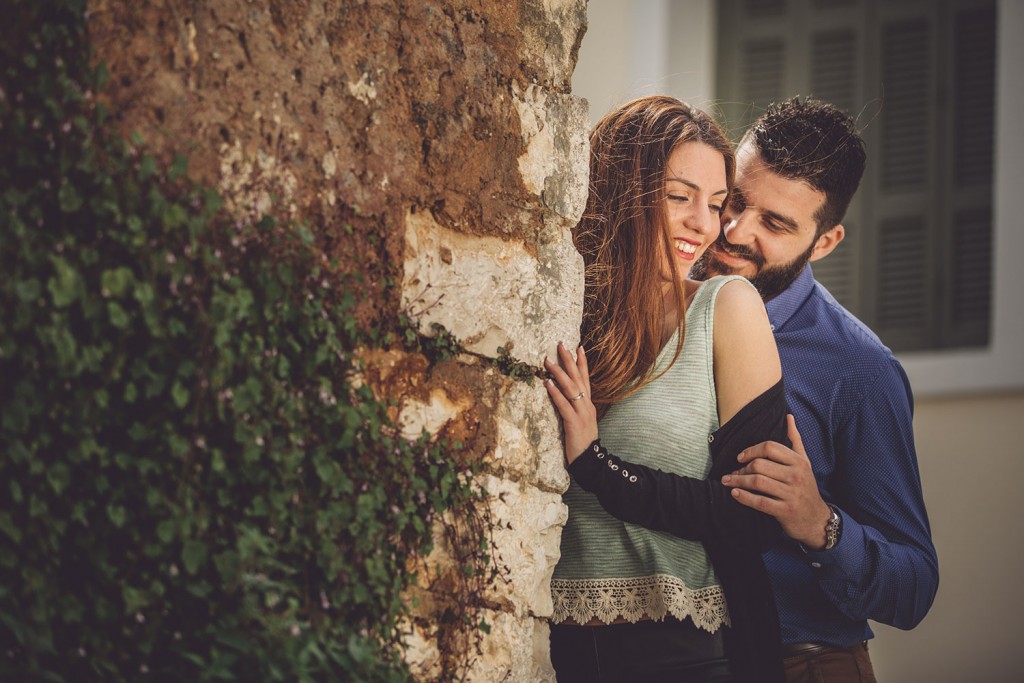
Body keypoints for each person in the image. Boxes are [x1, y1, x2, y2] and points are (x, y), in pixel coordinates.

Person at [690, 97, 939, 682]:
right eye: (737, 200)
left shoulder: (861, 371)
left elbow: (915, 586)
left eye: (775, 224)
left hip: (800, 666)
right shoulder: (658, 296)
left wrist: (819, 523)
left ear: (824, 242)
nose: (733, 231)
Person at [543, 95, 789, 682]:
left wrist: (598, 466)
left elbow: (754, 517)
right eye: (678, 197)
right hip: (550, 653)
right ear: (621, 191)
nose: (703, 225)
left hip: (680, 654)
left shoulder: (726, 309)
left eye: (715, 204)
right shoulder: (560, 312)